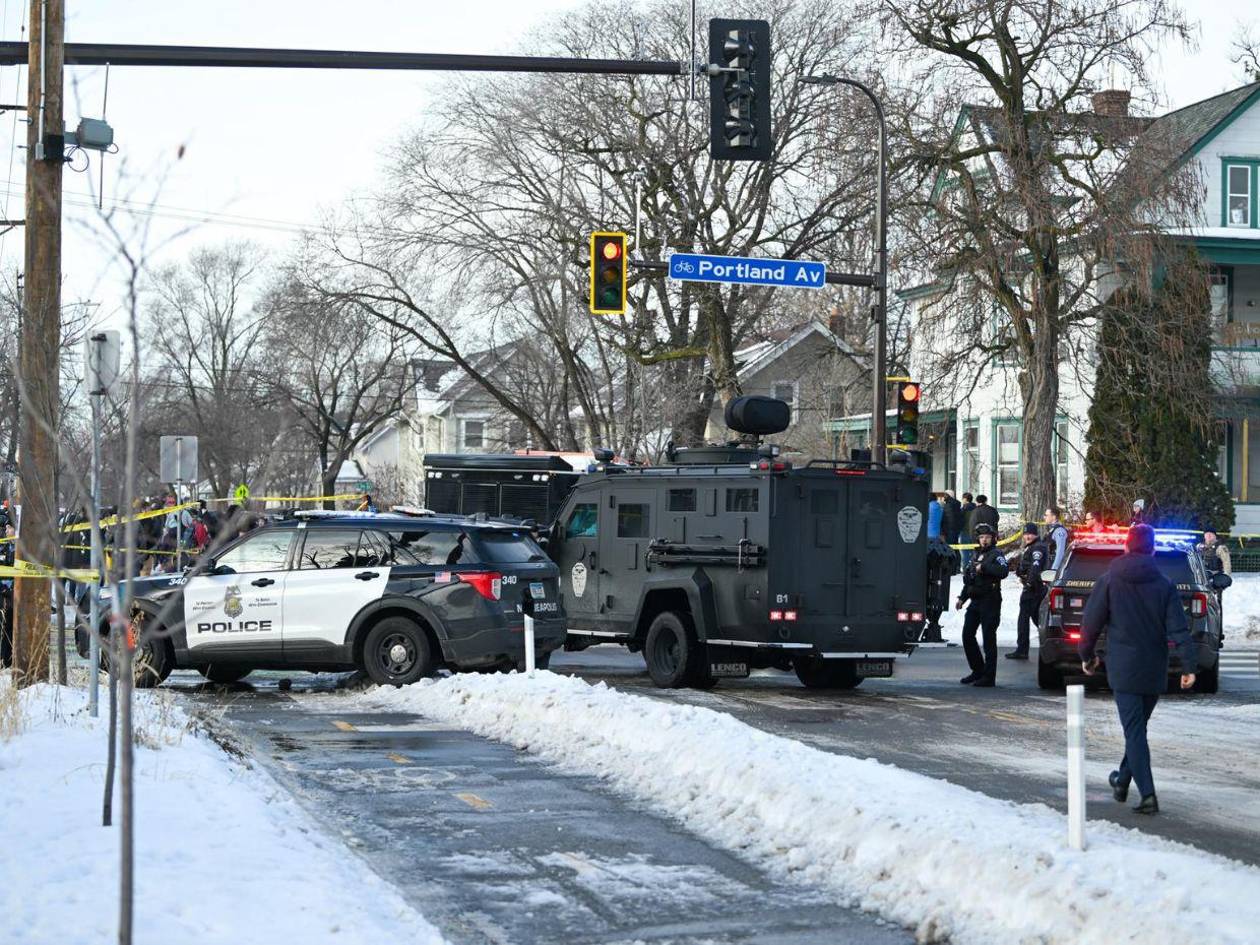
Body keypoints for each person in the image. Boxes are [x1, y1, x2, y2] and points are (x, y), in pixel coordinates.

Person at [1080, 524, 1197, 815]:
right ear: (1153, 550)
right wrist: (1188, 665)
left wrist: (1087, 656)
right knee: (1137, 730)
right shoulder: (1165, 584)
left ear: (1126, 546)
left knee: (1135, 732)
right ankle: (1121, 780)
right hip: (1154, 668)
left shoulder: (1109, 580)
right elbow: (1179, 628)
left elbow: (1091, 624)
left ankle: (1147, 795)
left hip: (1123, 667)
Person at [955, 522, 1009, 687]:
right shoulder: (975, 554)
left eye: (987, 537)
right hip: (975, 601)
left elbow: (1004, 571)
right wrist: (962, 598)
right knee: (967, 635)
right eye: (981, 537)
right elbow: (970, 580)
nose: (984, 540)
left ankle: (989, 676)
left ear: (993, 538)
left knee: (988, 639)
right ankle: (978, 670)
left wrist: (984, 567)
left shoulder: (996, 554)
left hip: (990, 601)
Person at [1007, 523, 1049, 660]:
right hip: (1035, 588)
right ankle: (1049, 643)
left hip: (1033, 589)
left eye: (1030, 534)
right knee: (1037, 618)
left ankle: (1022, 649)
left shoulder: (1037, 548)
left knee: (1024, 619)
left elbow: (1035, 567)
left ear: (1036, 534)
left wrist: (1029, 583)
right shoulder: (1032, 547)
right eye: (1025, 534)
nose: (1027, 537)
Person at [1043, 506, 1070, 572]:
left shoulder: (1059, 530)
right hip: (1048, 563)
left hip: (1053, 564)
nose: (1044, 517)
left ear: (1054, 517)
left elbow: (1060, 551)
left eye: (1046, 515)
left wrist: (1054, 569)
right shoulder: (1053, 529)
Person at [960, 493, 977, 570]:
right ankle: (973, 567)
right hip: (974, 533)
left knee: (965, 553)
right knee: (973, 552)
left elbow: (960, 521)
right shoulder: (976, 509)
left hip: (965, 532)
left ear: (965, 499)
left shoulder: (963, 509)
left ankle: (965, 569)